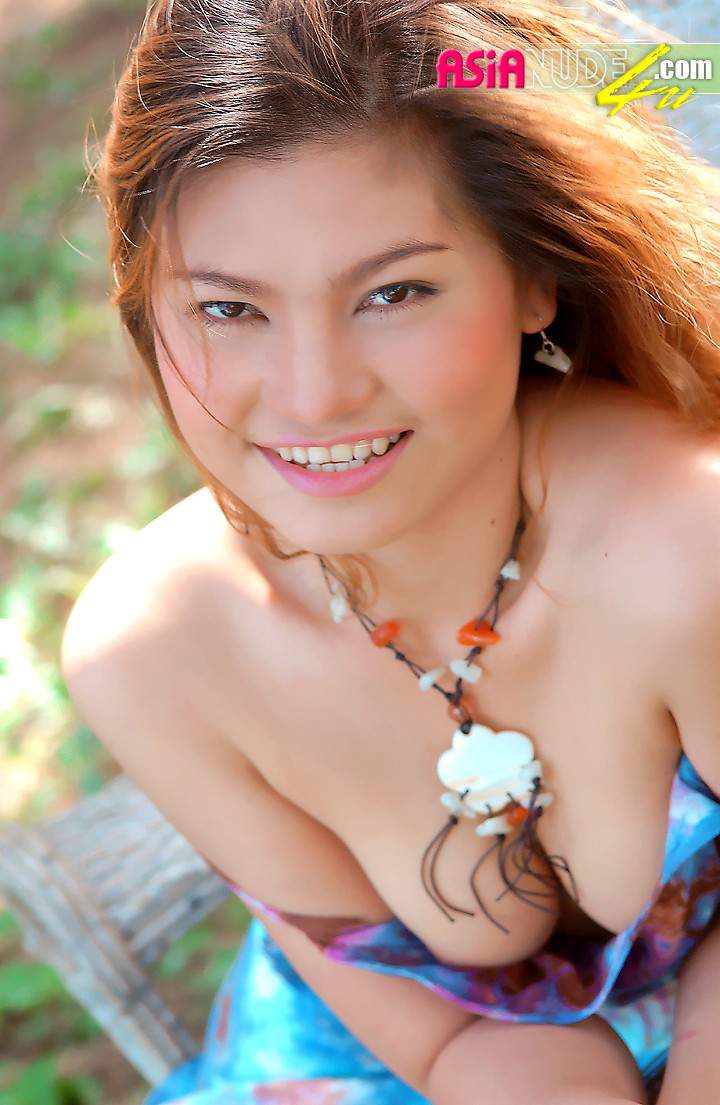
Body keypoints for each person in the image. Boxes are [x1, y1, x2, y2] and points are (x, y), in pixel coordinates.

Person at [61, 1, 720, 1102]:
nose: (316, 394)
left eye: (394, 292)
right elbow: (453, 1043)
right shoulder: (153, 655)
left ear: (533, 278)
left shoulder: (687, 539)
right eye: (228, 309)